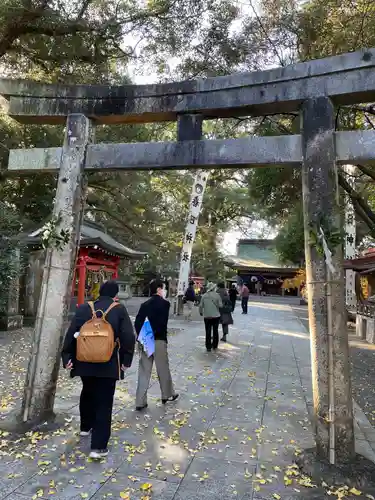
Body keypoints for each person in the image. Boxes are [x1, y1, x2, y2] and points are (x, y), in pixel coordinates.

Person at [61, 280, 135, 459]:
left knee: (87, 391)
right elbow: (128, 337)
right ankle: (98, 447)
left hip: (84, 361)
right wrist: (126, 360)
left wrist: (67, 357)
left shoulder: (84, 308)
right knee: (104, 401)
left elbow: (72, 333)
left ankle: (85, 428)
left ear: (99, 292)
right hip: (108, 363)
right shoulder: (118, 309)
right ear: (115, 294)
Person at [135, 279, 179, 411]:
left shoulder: (144, 304)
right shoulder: (165, 304)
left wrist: (141, 336)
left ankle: (140, 401)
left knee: (144, 370)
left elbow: (137, 322)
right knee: (163, 368)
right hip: (159, 339)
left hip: (146, 338)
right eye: (164, 288)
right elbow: (161, 322)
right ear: (159, 289)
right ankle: (167, 394)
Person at [199, 283, 223, 352]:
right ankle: (215, 345)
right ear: (213, 288)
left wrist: (201, 312)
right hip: (216, 316)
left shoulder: (204, 295)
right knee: (215, 331)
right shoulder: (217, 295)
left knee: (208, 331)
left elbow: (200, 306)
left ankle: (208, 346)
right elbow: (220, 306)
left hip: (207, 316)